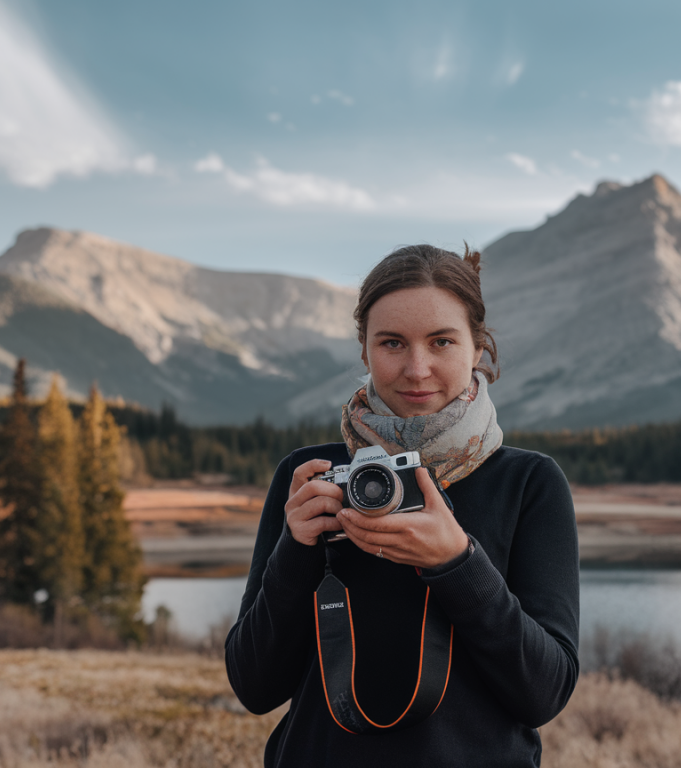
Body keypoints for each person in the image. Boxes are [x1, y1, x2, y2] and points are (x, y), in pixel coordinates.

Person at [225, 244, 579, 767]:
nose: (417, 369)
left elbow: (544, 693)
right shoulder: (311, 479)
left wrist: (458, 562)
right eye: (392, 342)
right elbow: (255, 688)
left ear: (477, 347)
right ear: (364, 350)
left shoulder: (528, 483)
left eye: (442, 341)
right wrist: (297, 551)